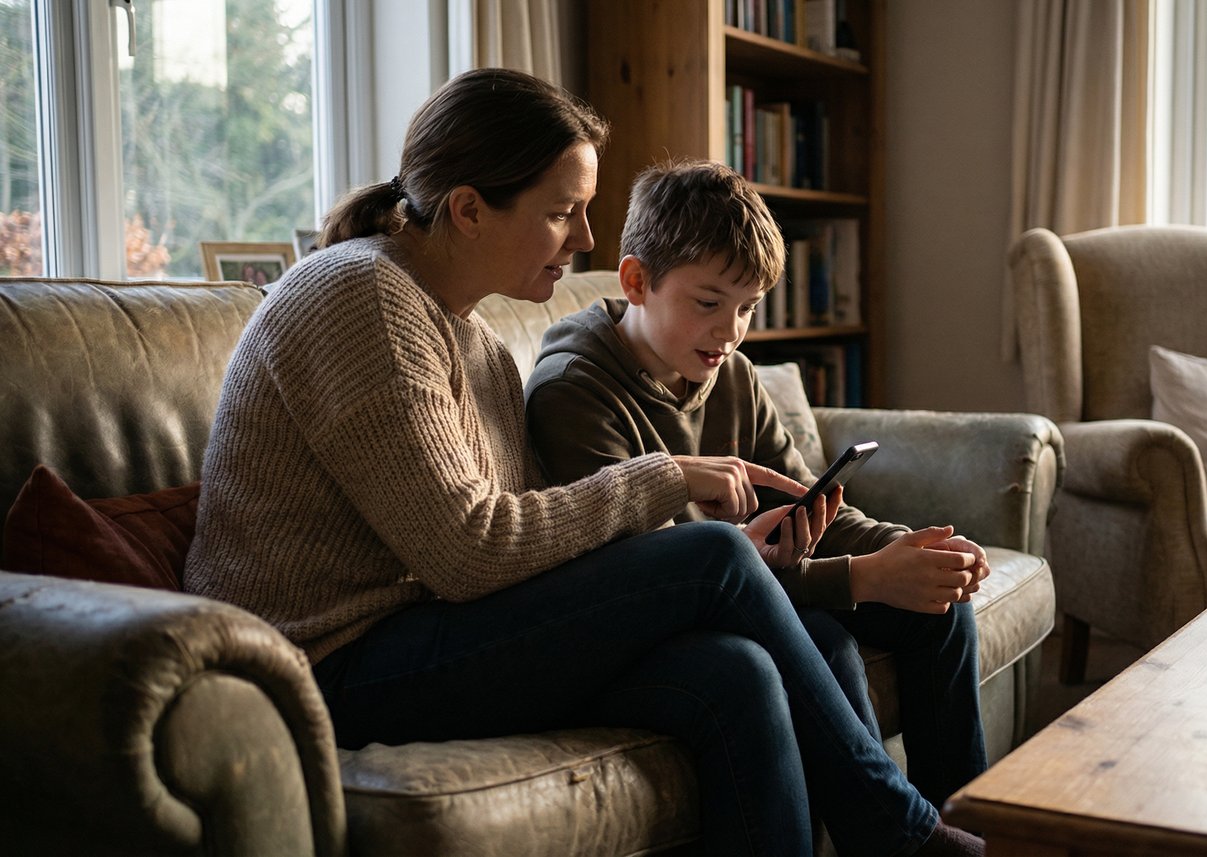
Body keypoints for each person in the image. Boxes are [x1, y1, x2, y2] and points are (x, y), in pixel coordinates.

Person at [182, 68, 982, 857]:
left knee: (735, 671)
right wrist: (667, 479)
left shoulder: (477, 344)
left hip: (431, 630)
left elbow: (529, 544)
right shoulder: (359, 298)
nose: (589, 240)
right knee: (712, 551)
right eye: (563, 212)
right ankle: (904, 836)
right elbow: (470, 551)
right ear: (468, 210)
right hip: (326, 663)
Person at [524, 159, 992, 810]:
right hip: (668, 621)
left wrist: (912, 550)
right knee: (827, 644)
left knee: (938, 603)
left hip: (757, 583)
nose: (730, 330)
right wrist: (862, 575)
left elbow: (811, 503)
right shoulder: (575, 393)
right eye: (709, 303)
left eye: (747, 308)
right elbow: (661, 585)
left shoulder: (733, 376)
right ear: (636, 281)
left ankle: (960, 813)